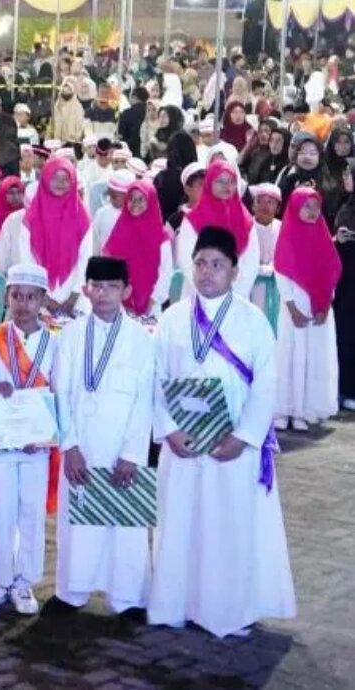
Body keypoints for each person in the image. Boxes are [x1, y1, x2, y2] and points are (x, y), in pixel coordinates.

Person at [148, 226, 296, 638]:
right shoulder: (173, 319)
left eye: (217, 265)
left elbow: (266, 385)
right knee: (181, 524)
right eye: (200, 264)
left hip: (232, 448)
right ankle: (176, 603)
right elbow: (156, 380)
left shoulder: (253, 322)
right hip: (183, 448)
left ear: (234, 271)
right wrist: (170, 431)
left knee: (228, 529)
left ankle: (228, 609)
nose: (207, 273)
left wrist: (244, 437)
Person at [41, 256, 154, 621]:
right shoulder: (71, 335)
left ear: (127, 291)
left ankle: (128, 598)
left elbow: (145, 399)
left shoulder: (141, 339)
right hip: (82, 445)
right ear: (86, 289)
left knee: (125, 525)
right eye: (97, 286)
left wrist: (133, 453)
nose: (103, 294)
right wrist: (69, 447)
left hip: (123, 443)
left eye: (112, 287)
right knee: (78, 523)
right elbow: (60, 392)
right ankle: (70, 592)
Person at [0, 263, 58, 615]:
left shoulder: (54, 344)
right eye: (16, 295)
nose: (23, 303)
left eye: (31, 297)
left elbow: (61, 395)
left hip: (36, 446)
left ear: (42, 300)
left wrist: (48, 435)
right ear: (6, 296)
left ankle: (25, 583)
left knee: (31, 513)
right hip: (1, 444)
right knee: (1, 511)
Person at [274, 188, 340, 432]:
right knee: (291, 356)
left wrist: (326, 304)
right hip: (295, 307)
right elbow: (282, 272)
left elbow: (331, 272)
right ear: (294, 207)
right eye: (306, 206)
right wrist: (291, 306)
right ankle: (284, 408)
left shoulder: (323, 236)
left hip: (318, 307)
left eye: (316, 207)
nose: (312, 212)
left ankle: (306, 409)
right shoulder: (288, 236)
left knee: (314, 356)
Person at [18, 157, 92, 318]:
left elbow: (85, 258)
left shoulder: (82, 217)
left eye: (65, 179)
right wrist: (43, 296)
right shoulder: (31, 219)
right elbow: (27, 259)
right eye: (55, 178)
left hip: (75, 297)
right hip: (39, 297)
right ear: (44, 179)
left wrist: (74, 296)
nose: (60, 183)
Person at [176, 161, 260, 300]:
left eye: (231, 181)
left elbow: (251, 263)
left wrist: (234, 294)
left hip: (235, 299)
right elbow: (187, 260)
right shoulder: (193, 219)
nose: (227, 186)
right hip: (198, 296)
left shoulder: (246, 220)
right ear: (209, 183)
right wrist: (206, 290)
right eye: (220, 181)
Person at [101, 181, 174, 319]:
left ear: (151, 201)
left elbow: (165, 272)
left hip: (151, 306)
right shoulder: (120, 228)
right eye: (131, 198)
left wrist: (152, 301)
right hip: (119, 302)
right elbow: (107, 263)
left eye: (141, 199)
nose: (135, 203)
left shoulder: (161, 235)